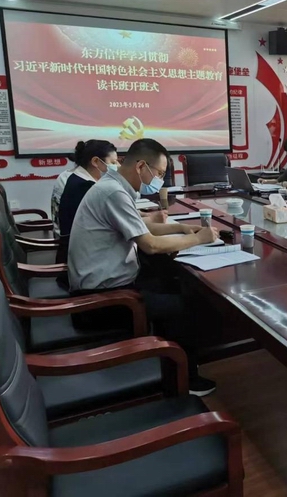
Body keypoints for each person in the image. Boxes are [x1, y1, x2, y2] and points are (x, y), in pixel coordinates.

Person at [68, 138, 220, 396]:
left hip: (108, 286)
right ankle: (184, 381)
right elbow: (150, 244)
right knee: (184, 305)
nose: (159, 180)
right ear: (141, 167)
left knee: (169, 282)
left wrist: (181, 228)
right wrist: (199, 239)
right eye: (159, 173)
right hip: (100, 301)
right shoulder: (113, 192)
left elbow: (141, 226)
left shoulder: (113, 186)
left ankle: (170, 359)